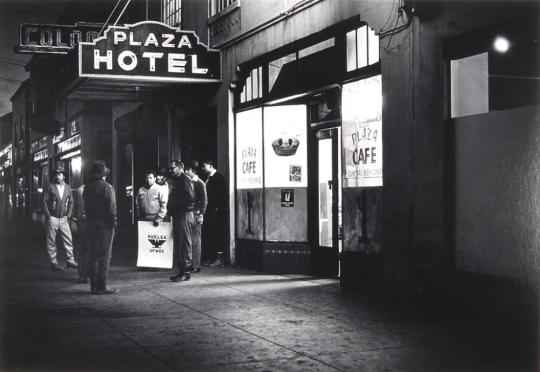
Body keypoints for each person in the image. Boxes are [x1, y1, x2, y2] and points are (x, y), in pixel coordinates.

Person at [83, 160, 119, 295]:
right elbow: (111, 209)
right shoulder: (107, 187)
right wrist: (113, 224)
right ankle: (102, 286)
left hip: (90, 224)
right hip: (104, 226)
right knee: (104, 256)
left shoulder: (87, 187)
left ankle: (93, 285)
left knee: (92, 255)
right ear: (103, 175)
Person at [42, 163, 78, 271]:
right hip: (52, 218)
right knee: (51, 241)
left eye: (60, 174)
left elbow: (71, 202)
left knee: (68, 239)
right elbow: (43, 201)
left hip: (63, 219)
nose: (58, 176)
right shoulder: (50, 187)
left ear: (64, 176)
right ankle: (53, 262)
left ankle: (70, 261)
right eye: (56, 174)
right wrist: (48, 215)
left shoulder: (68, 188)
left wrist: (68, 215)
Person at [167, 160, 195, 282]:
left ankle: (186, 271)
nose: (171, 170)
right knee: (180, 242)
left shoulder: (185, 179)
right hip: (179, 214)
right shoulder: (178, 180)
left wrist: (175, 205)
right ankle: (183, 270)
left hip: (183, 214)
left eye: (172, 168)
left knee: (184, 243)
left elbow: (190, 198)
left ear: (179, 168)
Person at [201, 160, 227, 267]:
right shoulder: (209, 177)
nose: (202, 168)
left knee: (217, 233)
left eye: (204, 166)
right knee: (210, 233)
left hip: (216, 210)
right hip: (210, 210)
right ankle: (212, 257)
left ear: (211, 166)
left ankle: (220, 259)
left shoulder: (218, 177)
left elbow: (220, 194)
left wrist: (217, 207)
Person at [185, 161, 207, 274]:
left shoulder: (200, 183)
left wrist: (201, 214)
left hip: (196, 213)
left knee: (195, 240)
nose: (186, 173)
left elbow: (204, 200)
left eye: (187, 171)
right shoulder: (188, 182)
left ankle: (196, 265)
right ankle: (189, 263)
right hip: (189, 213)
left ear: (192, 171)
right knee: (189, 240)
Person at [70, 184, 89, 283]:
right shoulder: (92, 189)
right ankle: (87, 274)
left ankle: (82, 274)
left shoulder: (79, 190)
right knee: (89, 250)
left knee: (82, 250)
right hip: (90, 223)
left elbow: (75, 208)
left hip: (81, 223)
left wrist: (74, 219)